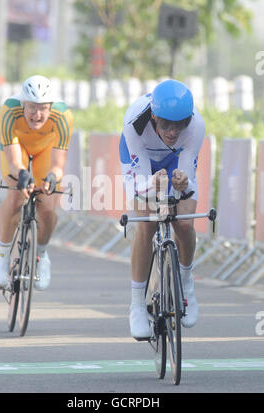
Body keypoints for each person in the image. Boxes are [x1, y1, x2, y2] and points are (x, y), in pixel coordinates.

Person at [119, 79, 205, 339]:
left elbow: (187, 183)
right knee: (146, 225)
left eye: (180, 124)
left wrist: (182, 183)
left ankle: (187, 282)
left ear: (188, 119)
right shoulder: (135, 122)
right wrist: (152, 186)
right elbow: (140, 184)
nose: (172, 131)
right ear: (154, 117)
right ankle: (136, 306)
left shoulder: (196, 126)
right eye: (166, 124)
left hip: (174, 161)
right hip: (141, 162)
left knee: (184, 223)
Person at [0, 75, 74, 291]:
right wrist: (23, 175)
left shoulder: (63, 116)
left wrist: (52, 178)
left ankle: (42, 255)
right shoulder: (9, 111)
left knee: (47, 206)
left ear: (51, 107)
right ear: (23, 104)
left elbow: (57, 165)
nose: (37, 115)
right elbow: (14, 162)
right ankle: (2, 259)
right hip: (18, 147)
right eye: (32, 108)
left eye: (43, 108)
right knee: (16, 195)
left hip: (46, 150)